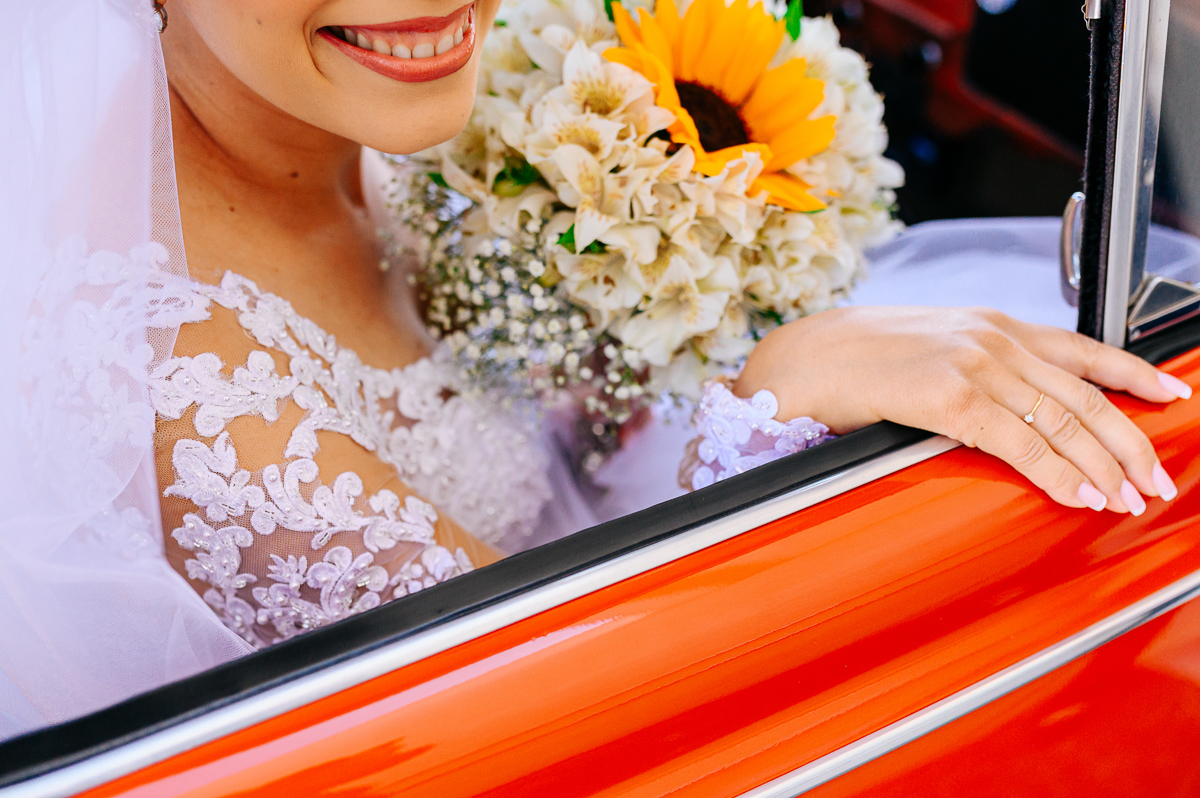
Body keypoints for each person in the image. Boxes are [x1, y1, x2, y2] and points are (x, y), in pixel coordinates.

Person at [0, 0, 1189, 738]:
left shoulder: (391, 112)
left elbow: (569, 407)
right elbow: (601, 701)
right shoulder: (182, 383)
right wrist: (771, 397)